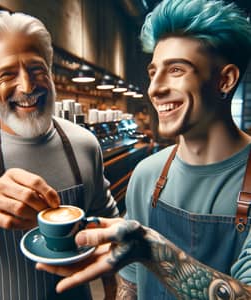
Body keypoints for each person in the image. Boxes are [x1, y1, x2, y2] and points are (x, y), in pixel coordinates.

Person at [36, 0, 251, 299]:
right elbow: (131, 285)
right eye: (153, 72)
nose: (155, 88)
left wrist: (153, 251)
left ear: (225, 80)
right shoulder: (147, 174)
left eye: (176, 69)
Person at [0, 11, 118, 300]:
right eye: (7, 74)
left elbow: (111, 237)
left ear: (51, 71)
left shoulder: (84, 143)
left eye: (37, 69)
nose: (27, 87)